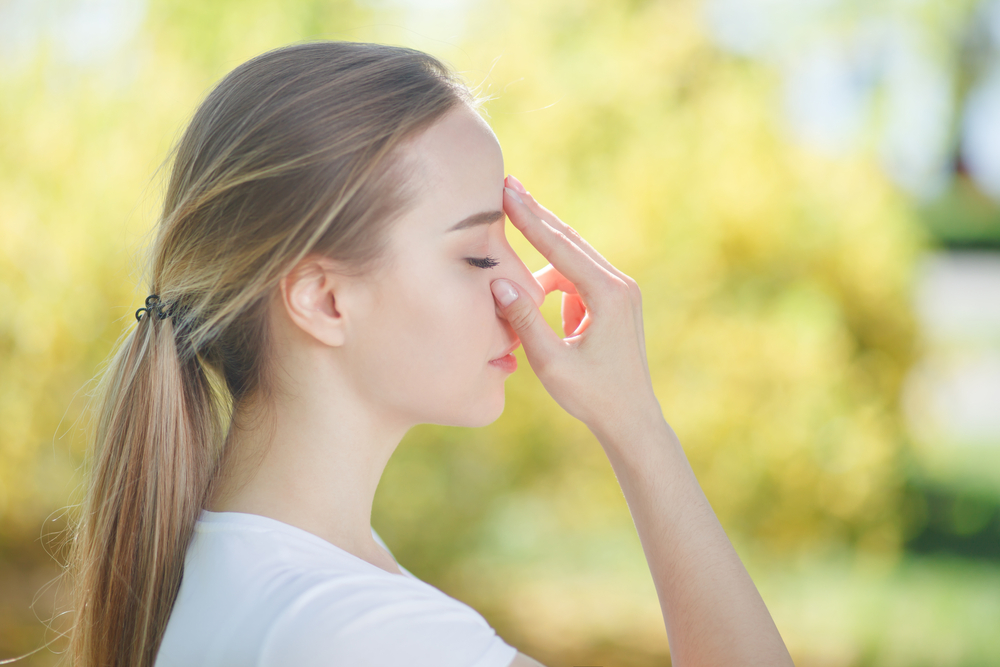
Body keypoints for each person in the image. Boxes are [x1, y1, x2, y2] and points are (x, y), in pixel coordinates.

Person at [63, 41, 793, 667]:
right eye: (477, 255)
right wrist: (637, 427)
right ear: (323, 299)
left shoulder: (225, 570)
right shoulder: (373, 633)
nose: (521, 287)